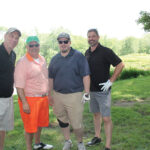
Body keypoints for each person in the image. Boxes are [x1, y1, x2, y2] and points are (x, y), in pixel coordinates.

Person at [48, 32, 90, 150]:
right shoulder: (54, 59)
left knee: (76, 123)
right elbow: (50, 78)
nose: (63, 44)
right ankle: (68, 141)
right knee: (61, 119)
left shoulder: (78, 56)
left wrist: (87, 93)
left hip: (74, 95)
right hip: (58, 95)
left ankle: (80, 143)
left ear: (70, 42)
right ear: (58, 44)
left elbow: (86, 75)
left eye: (65, 41)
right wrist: (49, 95)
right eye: (60, 42)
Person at [85, 29, 124, 150]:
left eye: (93, 36)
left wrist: (111, 80)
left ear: (98, 37)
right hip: (92, 90)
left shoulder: (106, 51)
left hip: (103, 91)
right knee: (96, 115)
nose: (91, 38)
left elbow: (120, 64)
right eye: (89, 36)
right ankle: (97, 137)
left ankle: (108, 146)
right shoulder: (87, 52)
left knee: (106, 118)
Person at [14, 36, 53, 150]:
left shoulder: (42, 59)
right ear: (27, 47)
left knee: (40, 123)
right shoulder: (22, 62)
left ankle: (37, 144)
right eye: (31, 45)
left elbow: (45, 78)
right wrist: (24, 102)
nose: (34, 47)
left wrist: (49, 95)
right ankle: (28, 147)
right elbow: (19, 85)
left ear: (39, 46)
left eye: (36, 45)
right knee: (30, 127)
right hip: (30, 99)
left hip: (43, 98)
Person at [0, 27, 21, 150]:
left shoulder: (13, 54)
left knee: (2, 127)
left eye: (16, 38)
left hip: (7, 97)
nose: (14, 40)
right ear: (5, 36)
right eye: (11, 36)